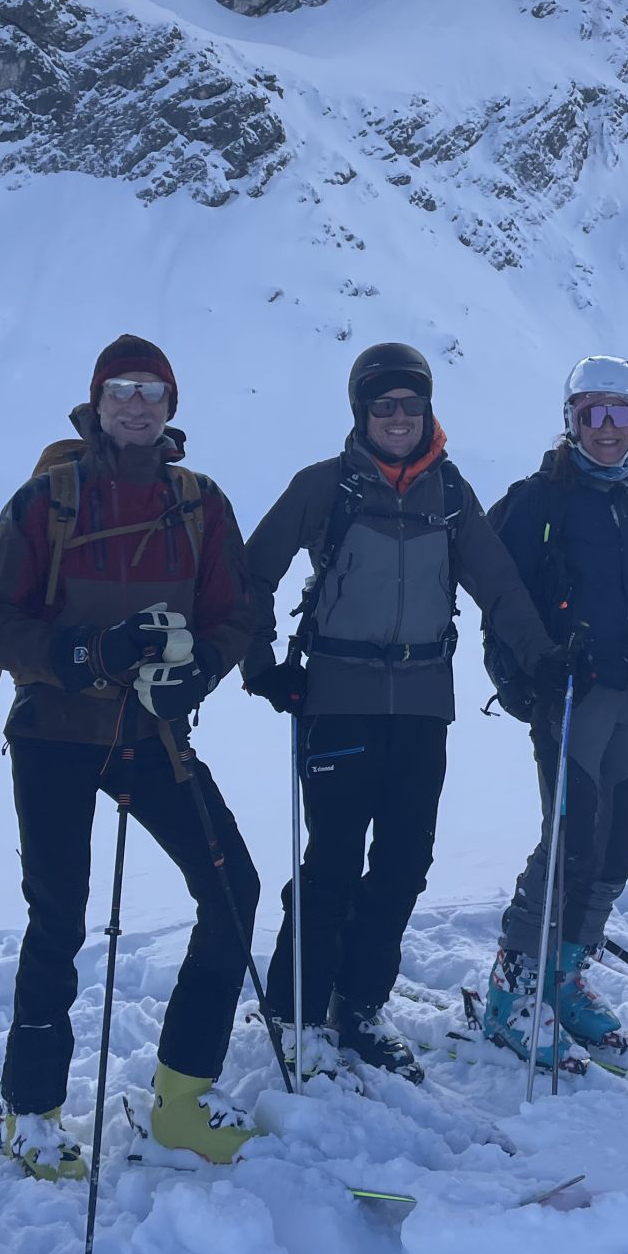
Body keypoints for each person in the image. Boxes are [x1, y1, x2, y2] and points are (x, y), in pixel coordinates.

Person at [0, 334, 265, 1175]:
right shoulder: (47, 499)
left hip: (150, 734)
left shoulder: (201, 502)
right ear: (97, 403)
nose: (136, 404)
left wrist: (197, 673)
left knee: (231, 890)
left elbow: (234, 613)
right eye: (121, 390)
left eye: (152, 391)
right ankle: (31, 1110)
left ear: (172, 407)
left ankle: (181, 1095)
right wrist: (85, 655)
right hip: (56, 734)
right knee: (58, 917)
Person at [240, 342, 561, 1083]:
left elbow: (499, 584)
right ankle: (295, 1008)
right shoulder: (325, 487)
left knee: (404, 864)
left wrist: (540, 654)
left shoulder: (448, 494)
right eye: (382, 405)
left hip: (423, 705)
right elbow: (252, 573)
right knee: (332, 863)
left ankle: (357, 1006)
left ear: (428, 410)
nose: (397, 417)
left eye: (410, 405)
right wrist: (264, 668)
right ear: (361, 411)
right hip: (337, 700)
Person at [480, 357, 628, 1067]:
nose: (606, 430)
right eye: (592, 415)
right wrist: (527, 669)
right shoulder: (536, 500)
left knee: (618, 848)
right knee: (570, 843)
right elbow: (497, 598)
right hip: (572, 694)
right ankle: (513, 987)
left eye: (620, 415)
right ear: (571, 421)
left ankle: (564, 976)